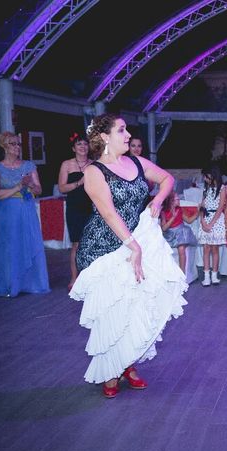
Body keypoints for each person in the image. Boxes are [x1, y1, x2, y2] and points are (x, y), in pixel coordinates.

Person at [70, 113, 186, 399]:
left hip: (135, 243)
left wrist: (158, 200)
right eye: (121, 130)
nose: (127, 135)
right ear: (104, 138)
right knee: (112, 313)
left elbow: (167, 178)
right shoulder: (94, 172)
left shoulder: (135, 162)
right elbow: (108, 213)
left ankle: (128, 365)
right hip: (104, 249)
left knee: (134, 308)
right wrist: (133, 246)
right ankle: (110, 371)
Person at [0, 131, 50, 297]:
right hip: (6, 212)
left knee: (28, 244)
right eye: (13, 144)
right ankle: (7, 284)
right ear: (4, 146)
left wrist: (30, 186)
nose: (17, 147)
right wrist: (18, 186)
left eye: (18, 144)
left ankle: (31, 283)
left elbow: (39, 189)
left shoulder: (29, 166)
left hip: (26, 210)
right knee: (8, 247)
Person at [57, 132, 93, 290]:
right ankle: (74, 278)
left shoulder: (94, 164)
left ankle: (91, 277)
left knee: (91, 244)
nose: (83, 147)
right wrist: (79, 182)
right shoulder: (67, 164)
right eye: (79, 144)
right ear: (73, 148)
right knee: (77, 244)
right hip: (74, 208)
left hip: (91, 207)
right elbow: (62, 188)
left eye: (85, 144)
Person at [198, 164, 227, 286]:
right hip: (206, 217)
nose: (205, 179)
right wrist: (203, 221)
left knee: (215, 248)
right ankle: (206, 276)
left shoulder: (222, 189)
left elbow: (220, 208)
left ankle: (214, 275)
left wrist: (211, 224)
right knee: (206, 248)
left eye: (206, 176)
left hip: (217, 220)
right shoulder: (206, 189)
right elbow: (202, 206)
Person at [160, 189, 198, 274]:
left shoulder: (180, 209)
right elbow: (164, 228)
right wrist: (173, 217)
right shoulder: (164, 212)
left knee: (181, 249)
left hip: (181, 232)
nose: (179, 201)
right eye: (177, 199)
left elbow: (188, 220)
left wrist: (197, 213)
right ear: (171, 201)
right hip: (169, 234)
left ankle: (182, 273)